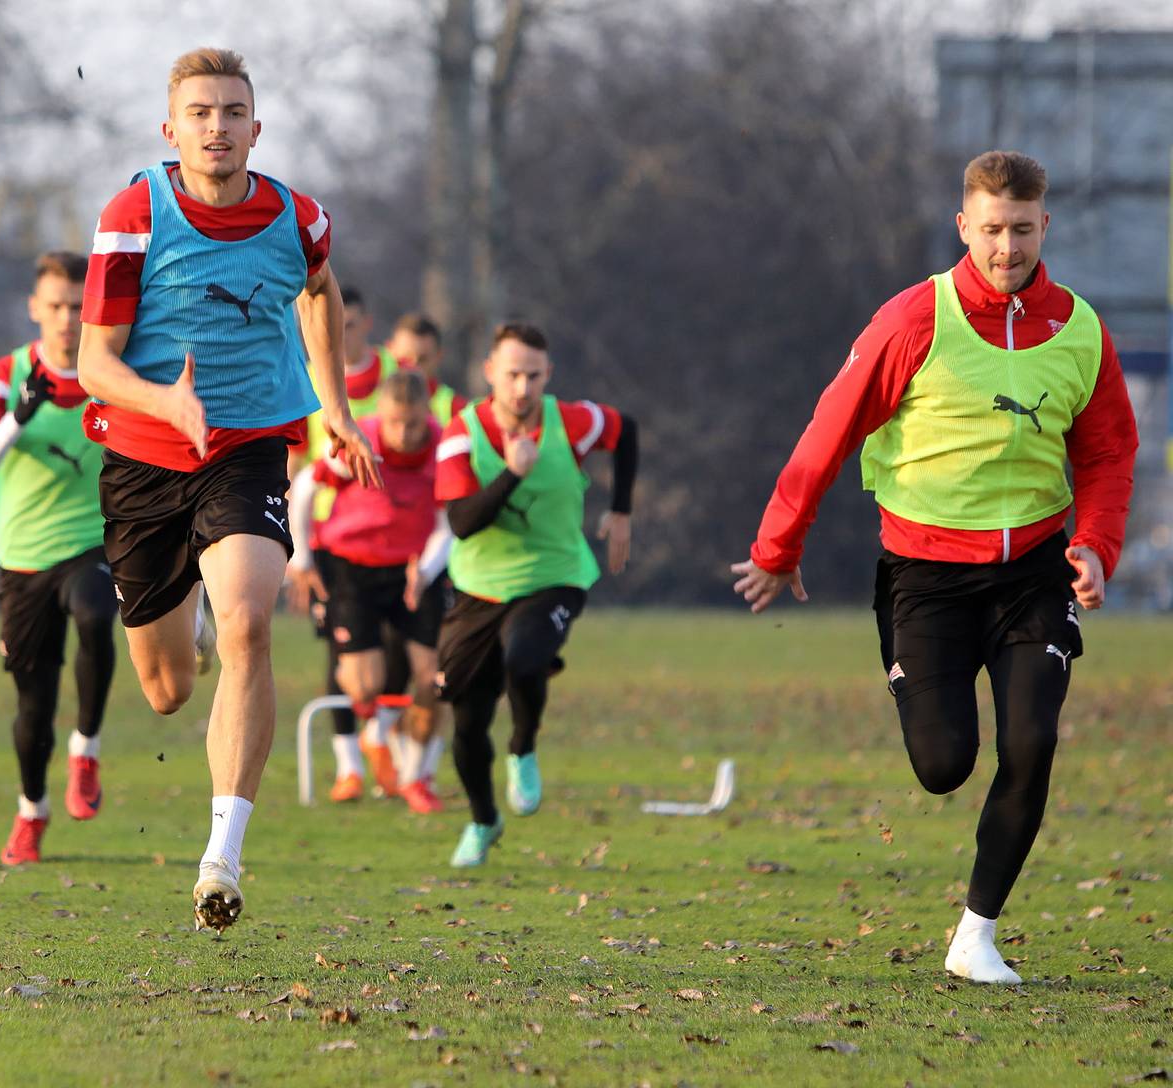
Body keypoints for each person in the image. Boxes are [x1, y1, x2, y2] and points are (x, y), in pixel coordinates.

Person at [732, 150, 1137, 984]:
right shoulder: (916, 319)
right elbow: (830, 432)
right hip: (926, 578)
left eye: (1021, 230)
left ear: (1043, 226)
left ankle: (976, 935)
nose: (1005, 247)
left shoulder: (1082, 330)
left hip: (1033, 572)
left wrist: (1094, 547)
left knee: (1031, 740)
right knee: (944, 764)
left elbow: (1107, 455)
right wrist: (779, 546)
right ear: (964, 226)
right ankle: (914, 683)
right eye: (990, 229)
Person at [77, 46, 380, 932]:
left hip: (248, 447)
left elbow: (318, 293)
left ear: (256, 125)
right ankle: (190, 623)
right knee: (168, 687)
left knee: (252, 620)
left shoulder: (301, 218)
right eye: (200, 113)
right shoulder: (134, 214)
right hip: (142, 455)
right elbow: (94, 362)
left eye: (233, 111)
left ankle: (223, 854)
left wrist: (338, 409)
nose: (218, 126)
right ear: (172, 129)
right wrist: (165, 398)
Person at [434, 323, 638, 867]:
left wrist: (620, 511)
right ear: (489, 375)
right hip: (478, 590)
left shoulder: (571, 421)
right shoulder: (461, 432)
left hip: (555, 576)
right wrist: (511, 473)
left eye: (533, 375)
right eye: (512, 375)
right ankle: (484, 821)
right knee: (467, 725)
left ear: (548, 376)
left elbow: (626, 431)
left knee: (526, 656)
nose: (522, 388)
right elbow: (461, 523)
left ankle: (523, 747)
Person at [0, 251, 118, 864]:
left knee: (97, 614)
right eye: (55, 306)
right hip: (21, 561)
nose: (67, 318)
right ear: (34, 308)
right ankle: (32, 812)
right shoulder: (1, 375)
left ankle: (88, 747)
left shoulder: (112, 373)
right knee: (32, 710)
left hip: (89, 546)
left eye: (79, 306)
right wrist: (18, 418)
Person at [288, 368, 452, 812]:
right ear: (381, 415)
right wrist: (300, 560)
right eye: (396, 422)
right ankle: (372, 735)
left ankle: (415, 776)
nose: (404, 432)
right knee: (364, 685)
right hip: (351, 567)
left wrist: (428, 569)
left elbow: (446, 523)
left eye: (414, 423)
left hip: (414, 570)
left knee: (434, 678)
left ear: (426, 415)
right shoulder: (361, 443)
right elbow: (303, 488)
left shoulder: (441, 449)